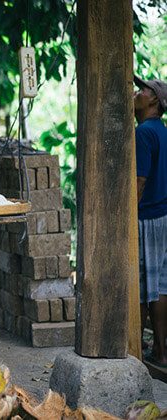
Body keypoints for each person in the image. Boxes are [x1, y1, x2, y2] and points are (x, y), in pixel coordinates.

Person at [134, 75, 167, 369]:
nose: (136, 93)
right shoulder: (161, 130)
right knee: (160, 284)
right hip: (163, 216)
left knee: (146, 287)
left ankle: (139, 349)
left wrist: (126, 221)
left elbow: (140, 182)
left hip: (148, 218)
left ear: (154, 100)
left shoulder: (144, 132)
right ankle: (160, 349)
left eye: (142, 90)